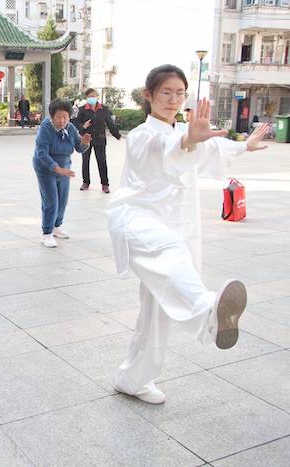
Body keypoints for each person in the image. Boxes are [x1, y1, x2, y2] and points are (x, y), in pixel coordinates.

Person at [107, 64, 269, 405]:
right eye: (166, 92)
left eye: (179, 93)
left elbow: (214, 148)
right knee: (172, 251)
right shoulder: (142, 136)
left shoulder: (185, 131)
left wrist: (245, 146)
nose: (173, 99)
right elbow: (164, 149)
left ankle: (133, 379)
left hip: (174, 224)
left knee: (156, 312)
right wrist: (187, 141)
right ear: (149, 95)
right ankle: (208, 312)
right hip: (137, 221)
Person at [33, 99, 92, 248]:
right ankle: (46, 233)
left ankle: (56, 226)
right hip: (46, 168)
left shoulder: (70, 128)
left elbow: (79, 148)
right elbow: (41, 152)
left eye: (65, 117)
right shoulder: (45, 129)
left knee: (62, 200)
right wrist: (56, 168)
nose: (62, 121)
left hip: (64, 168)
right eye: (58, 117)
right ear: (52, 116)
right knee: (51, 200)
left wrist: (85, 143)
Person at [75, 88, 121, 193]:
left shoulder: (104, 109)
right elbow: (76, 123)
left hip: (100, 139)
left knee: (102, 161)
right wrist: (83, 126)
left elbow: (110, 123)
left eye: (94, 96)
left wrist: (117, 135)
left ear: (97, 97)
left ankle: (105, 184)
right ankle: (86, 182)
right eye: (90, 96)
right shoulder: (82, 110)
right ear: (86, 98)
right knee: (85, 161)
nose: (92, 98)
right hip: (86, 139)